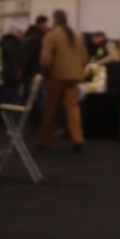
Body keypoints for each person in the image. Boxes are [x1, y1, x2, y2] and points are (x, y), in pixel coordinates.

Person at [37, 9, 86, 153]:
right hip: (75, 77)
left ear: (54, 20)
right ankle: (78, 139)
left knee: (50, 108)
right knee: (73, 108)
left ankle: (45, 140)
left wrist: (44, 72)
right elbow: (84, 57)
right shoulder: (78, 34)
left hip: (56, 77)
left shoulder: (52, 35)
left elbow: (45, 59)